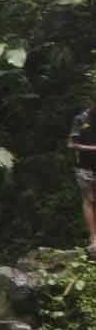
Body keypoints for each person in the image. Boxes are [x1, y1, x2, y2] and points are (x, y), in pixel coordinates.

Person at [69, 95, 96, 259]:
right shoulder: (81, 119)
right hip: (84, 167)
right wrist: (92, 148)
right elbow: (71, 144)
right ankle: (93, 238)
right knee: (89, 200)